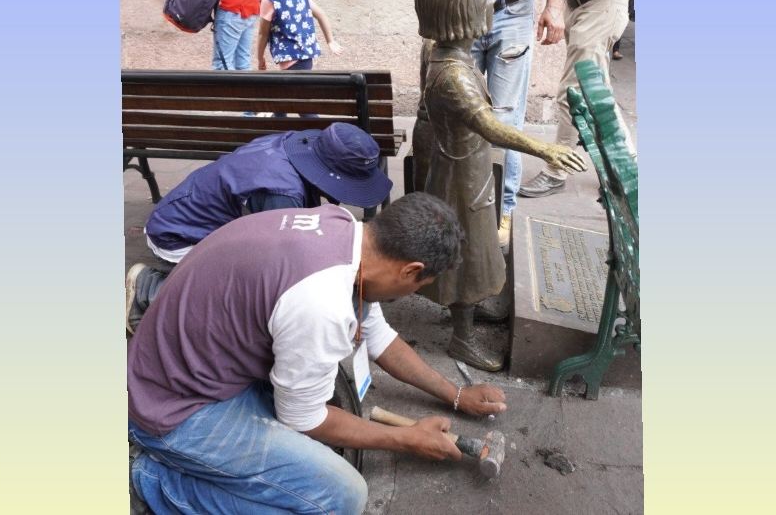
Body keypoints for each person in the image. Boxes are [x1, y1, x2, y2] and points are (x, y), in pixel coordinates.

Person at [128, 192, 508, 514]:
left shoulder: (346, 234)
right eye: (420, 285)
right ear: (411, 270)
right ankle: (154, 479)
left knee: (324, 423)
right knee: (341, 496)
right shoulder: (321, 302)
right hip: (173, 411)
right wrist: (406, 438)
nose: (410, 294)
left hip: (184, 368)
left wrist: (455, 394)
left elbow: (378, 336)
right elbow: (303, 417)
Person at [414, 0, 587, 371]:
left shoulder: (445, 53)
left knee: (475, 249)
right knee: (467, 252)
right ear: (462, 12)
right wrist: (545, 150)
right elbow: (491, 128)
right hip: (461, 176)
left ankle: (468, 308)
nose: (492, 2)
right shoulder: (453, 74)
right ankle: (462, 337)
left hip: (464, 168)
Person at [126, 123, 392, 334]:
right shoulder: (281, 193)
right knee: (249, 293)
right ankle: (150, 289)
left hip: (184, 214)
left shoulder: (292, 146)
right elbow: (279, 259)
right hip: (179, 236)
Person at [426, 0, 568, 248]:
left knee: (505, 117)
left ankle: (503, 209)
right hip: (458, 6)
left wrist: (554, 1)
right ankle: (453, 211)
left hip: (513, 8)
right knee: (458, 118)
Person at [519, 0, 635, 198]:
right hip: (578, 6)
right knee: (597, 96)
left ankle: (556, 171)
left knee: (572, 93)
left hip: (603, 4)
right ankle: (626, 170)